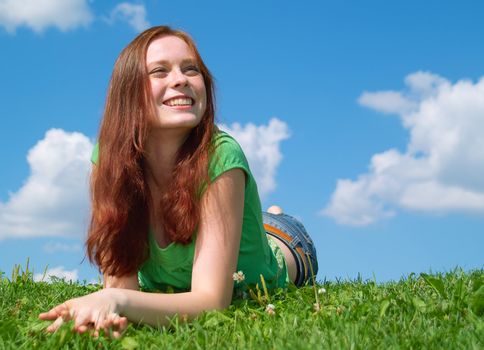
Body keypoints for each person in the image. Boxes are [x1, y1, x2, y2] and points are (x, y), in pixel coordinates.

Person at [39, 25, 318, 337]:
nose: (180, 79)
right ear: (128, 91)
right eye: (159, 71)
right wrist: (111, 313)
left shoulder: (221, 155)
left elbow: (212, 301)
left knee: (274, 234)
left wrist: (114, 299)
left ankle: (273, 220)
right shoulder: (109, 159)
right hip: (231, 226)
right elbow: (122, 282)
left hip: (287, 246)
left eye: (191, 69)